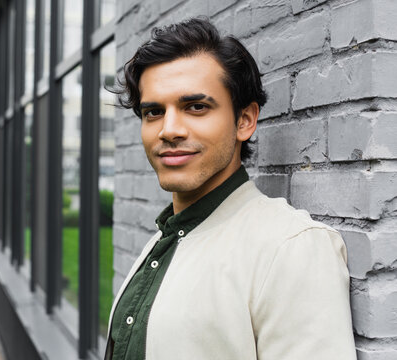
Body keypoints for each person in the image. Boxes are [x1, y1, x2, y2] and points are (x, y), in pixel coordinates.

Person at [105, 18, 356, 360]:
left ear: (244, 121)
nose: (169, 130)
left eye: (196, 107)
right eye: (153, 112)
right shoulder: (164, 240)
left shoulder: (290, 249)